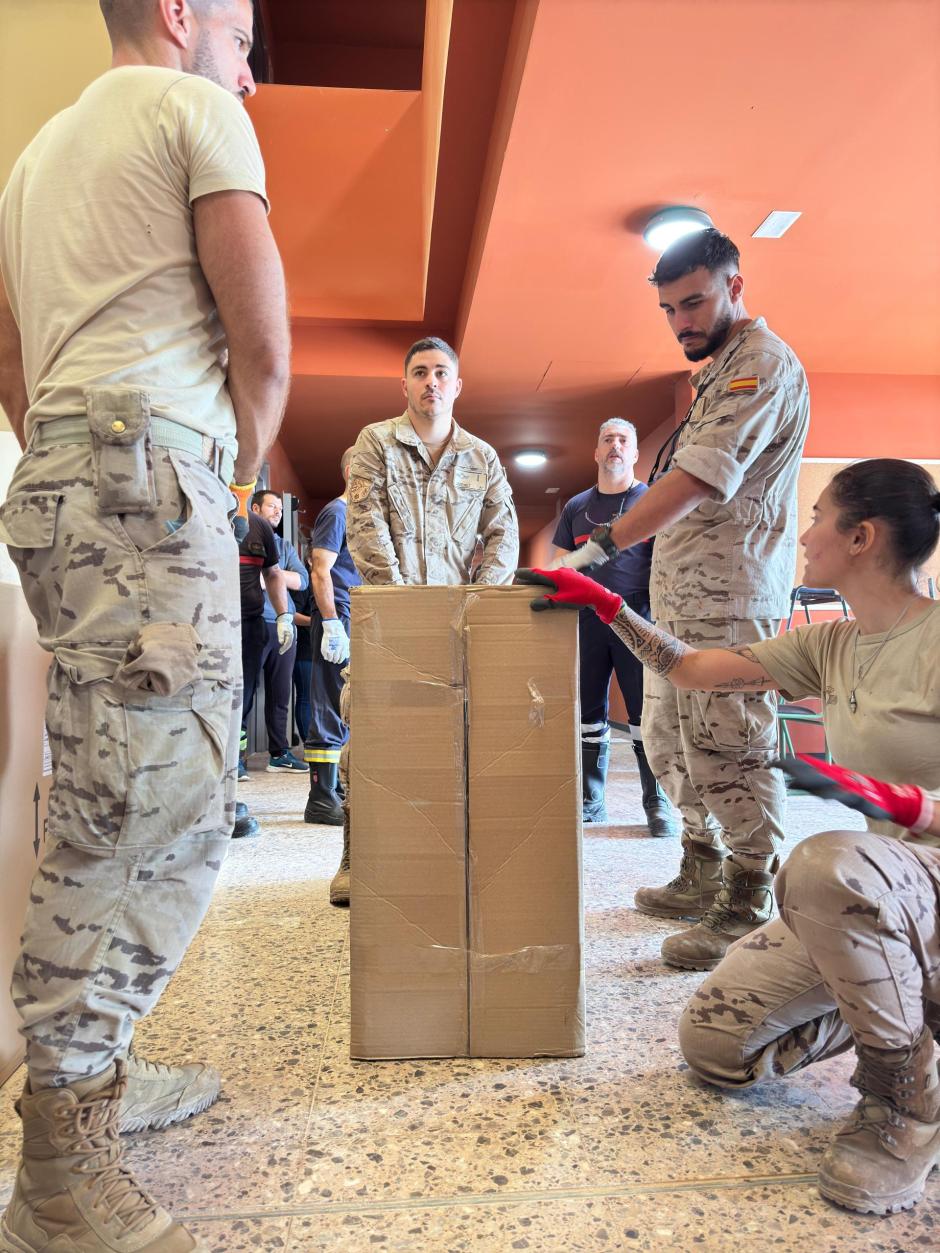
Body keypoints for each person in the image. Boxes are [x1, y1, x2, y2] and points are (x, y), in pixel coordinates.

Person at [0, 1, 291, 1248]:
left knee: (110, 795)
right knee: (157, 818)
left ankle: (96, 1075)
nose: (249, 62)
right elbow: (263, 345)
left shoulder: (38, 154)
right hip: (150, 478)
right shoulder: (194, 110)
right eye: (239, 28)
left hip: (62, 477)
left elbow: (10, 353)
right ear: (179, 13)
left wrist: (62, 462)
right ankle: (62, 1159)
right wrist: (224, 483)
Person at [521, 457, 940, 1217]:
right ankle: (898, 999)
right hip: (888, 892)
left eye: (818, 516)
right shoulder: (834, 644)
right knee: (716, 1045)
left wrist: (906, 804)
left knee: (821, 865)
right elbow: (691, 668)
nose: (803, 532)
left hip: (919, 880)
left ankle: (904, 1102)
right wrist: (609, 604)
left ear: (861, 537)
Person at [554, 228, 809, 971]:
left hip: (731, 601)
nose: (681, 321)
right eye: (669, 309)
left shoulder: (759, 364)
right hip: (681, 602)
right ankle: (701, 866)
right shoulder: (713, 374)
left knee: (731, 746)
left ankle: (749, 896)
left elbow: (698, 478)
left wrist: (596, 547)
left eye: (693, 301)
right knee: (671, 745)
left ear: (735, 283)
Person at [330, 336, 519, 904]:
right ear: (406, 384)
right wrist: (403, 604)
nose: (431, 382)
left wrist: (484, 601)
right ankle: (355, 853)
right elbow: (364, 524)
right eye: (420, 372)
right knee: (369, 733)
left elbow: (503, 529)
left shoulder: (481, 456)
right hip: (390, 619)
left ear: (457, 385)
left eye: (441, 372)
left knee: (457, 735)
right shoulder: (375, 444)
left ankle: (440, 853)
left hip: (461, 622)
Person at [553, 417, 675, 835]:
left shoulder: (652, 500)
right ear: (596, 451)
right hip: (586, 620)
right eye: (608, 439)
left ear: (636, 453)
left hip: (638, 616)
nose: (615, 447)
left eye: (624, 440)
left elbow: (667, 563)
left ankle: (656, 803)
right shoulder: (576, 507)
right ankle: (591, 800)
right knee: (588, 713)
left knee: (646, 714)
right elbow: (561, 563)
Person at [303, 447, 362, 826]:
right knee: (328, 701)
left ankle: (334, 788)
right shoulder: (337, 512)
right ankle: (320, 797)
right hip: (336, 616)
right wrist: (330, 623)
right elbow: (320, 569)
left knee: (342, 703)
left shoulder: (357, 517)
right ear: (352, 470)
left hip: (349, 615)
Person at [240, 488, 308, 774]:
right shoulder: (240, 535)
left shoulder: (285, 545)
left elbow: (302, 580)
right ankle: (236, 760)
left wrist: (271, 576)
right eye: (272, 506)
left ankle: (279, 754)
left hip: (283, 624)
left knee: (281, 694)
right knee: (243, 693)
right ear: (255, 509)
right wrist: (274, 575)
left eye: (281, 507)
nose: (278, 511)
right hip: (250, 622)